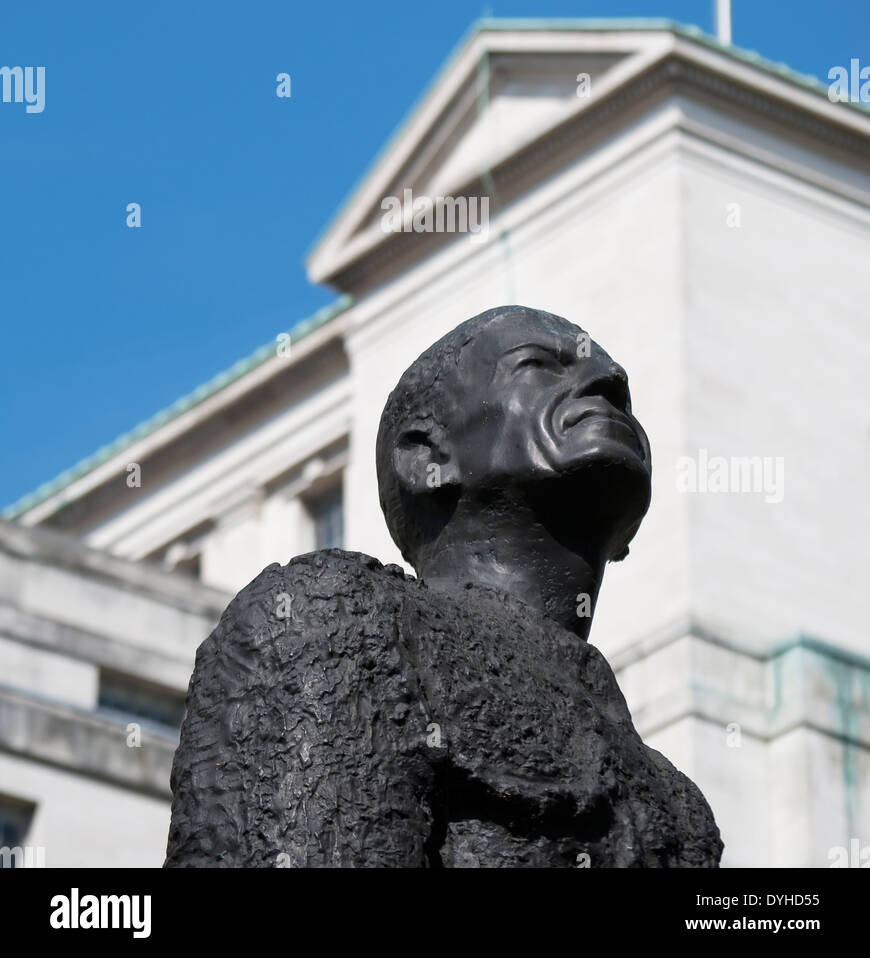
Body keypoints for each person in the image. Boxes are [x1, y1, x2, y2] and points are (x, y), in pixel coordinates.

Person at [165, 306, 722, 868]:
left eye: (619, 393)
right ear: (426, 458)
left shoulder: (681, 808)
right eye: (537, 365)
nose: (609, 383)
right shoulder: (340, 621)